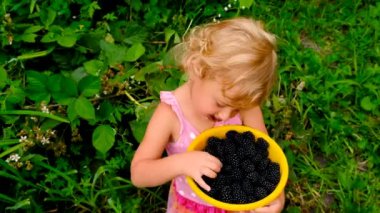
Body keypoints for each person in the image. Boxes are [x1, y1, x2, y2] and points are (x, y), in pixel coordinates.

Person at [131, 17, 285, 213]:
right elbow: (139, 174)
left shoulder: (244, 103)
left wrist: (276, 196)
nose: (226, 115)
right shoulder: (170, 114)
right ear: (198, 69)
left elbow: (265, 159)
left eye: (236, 109)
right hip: (191, 207)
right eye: (220, 103)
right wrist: (181, 163)